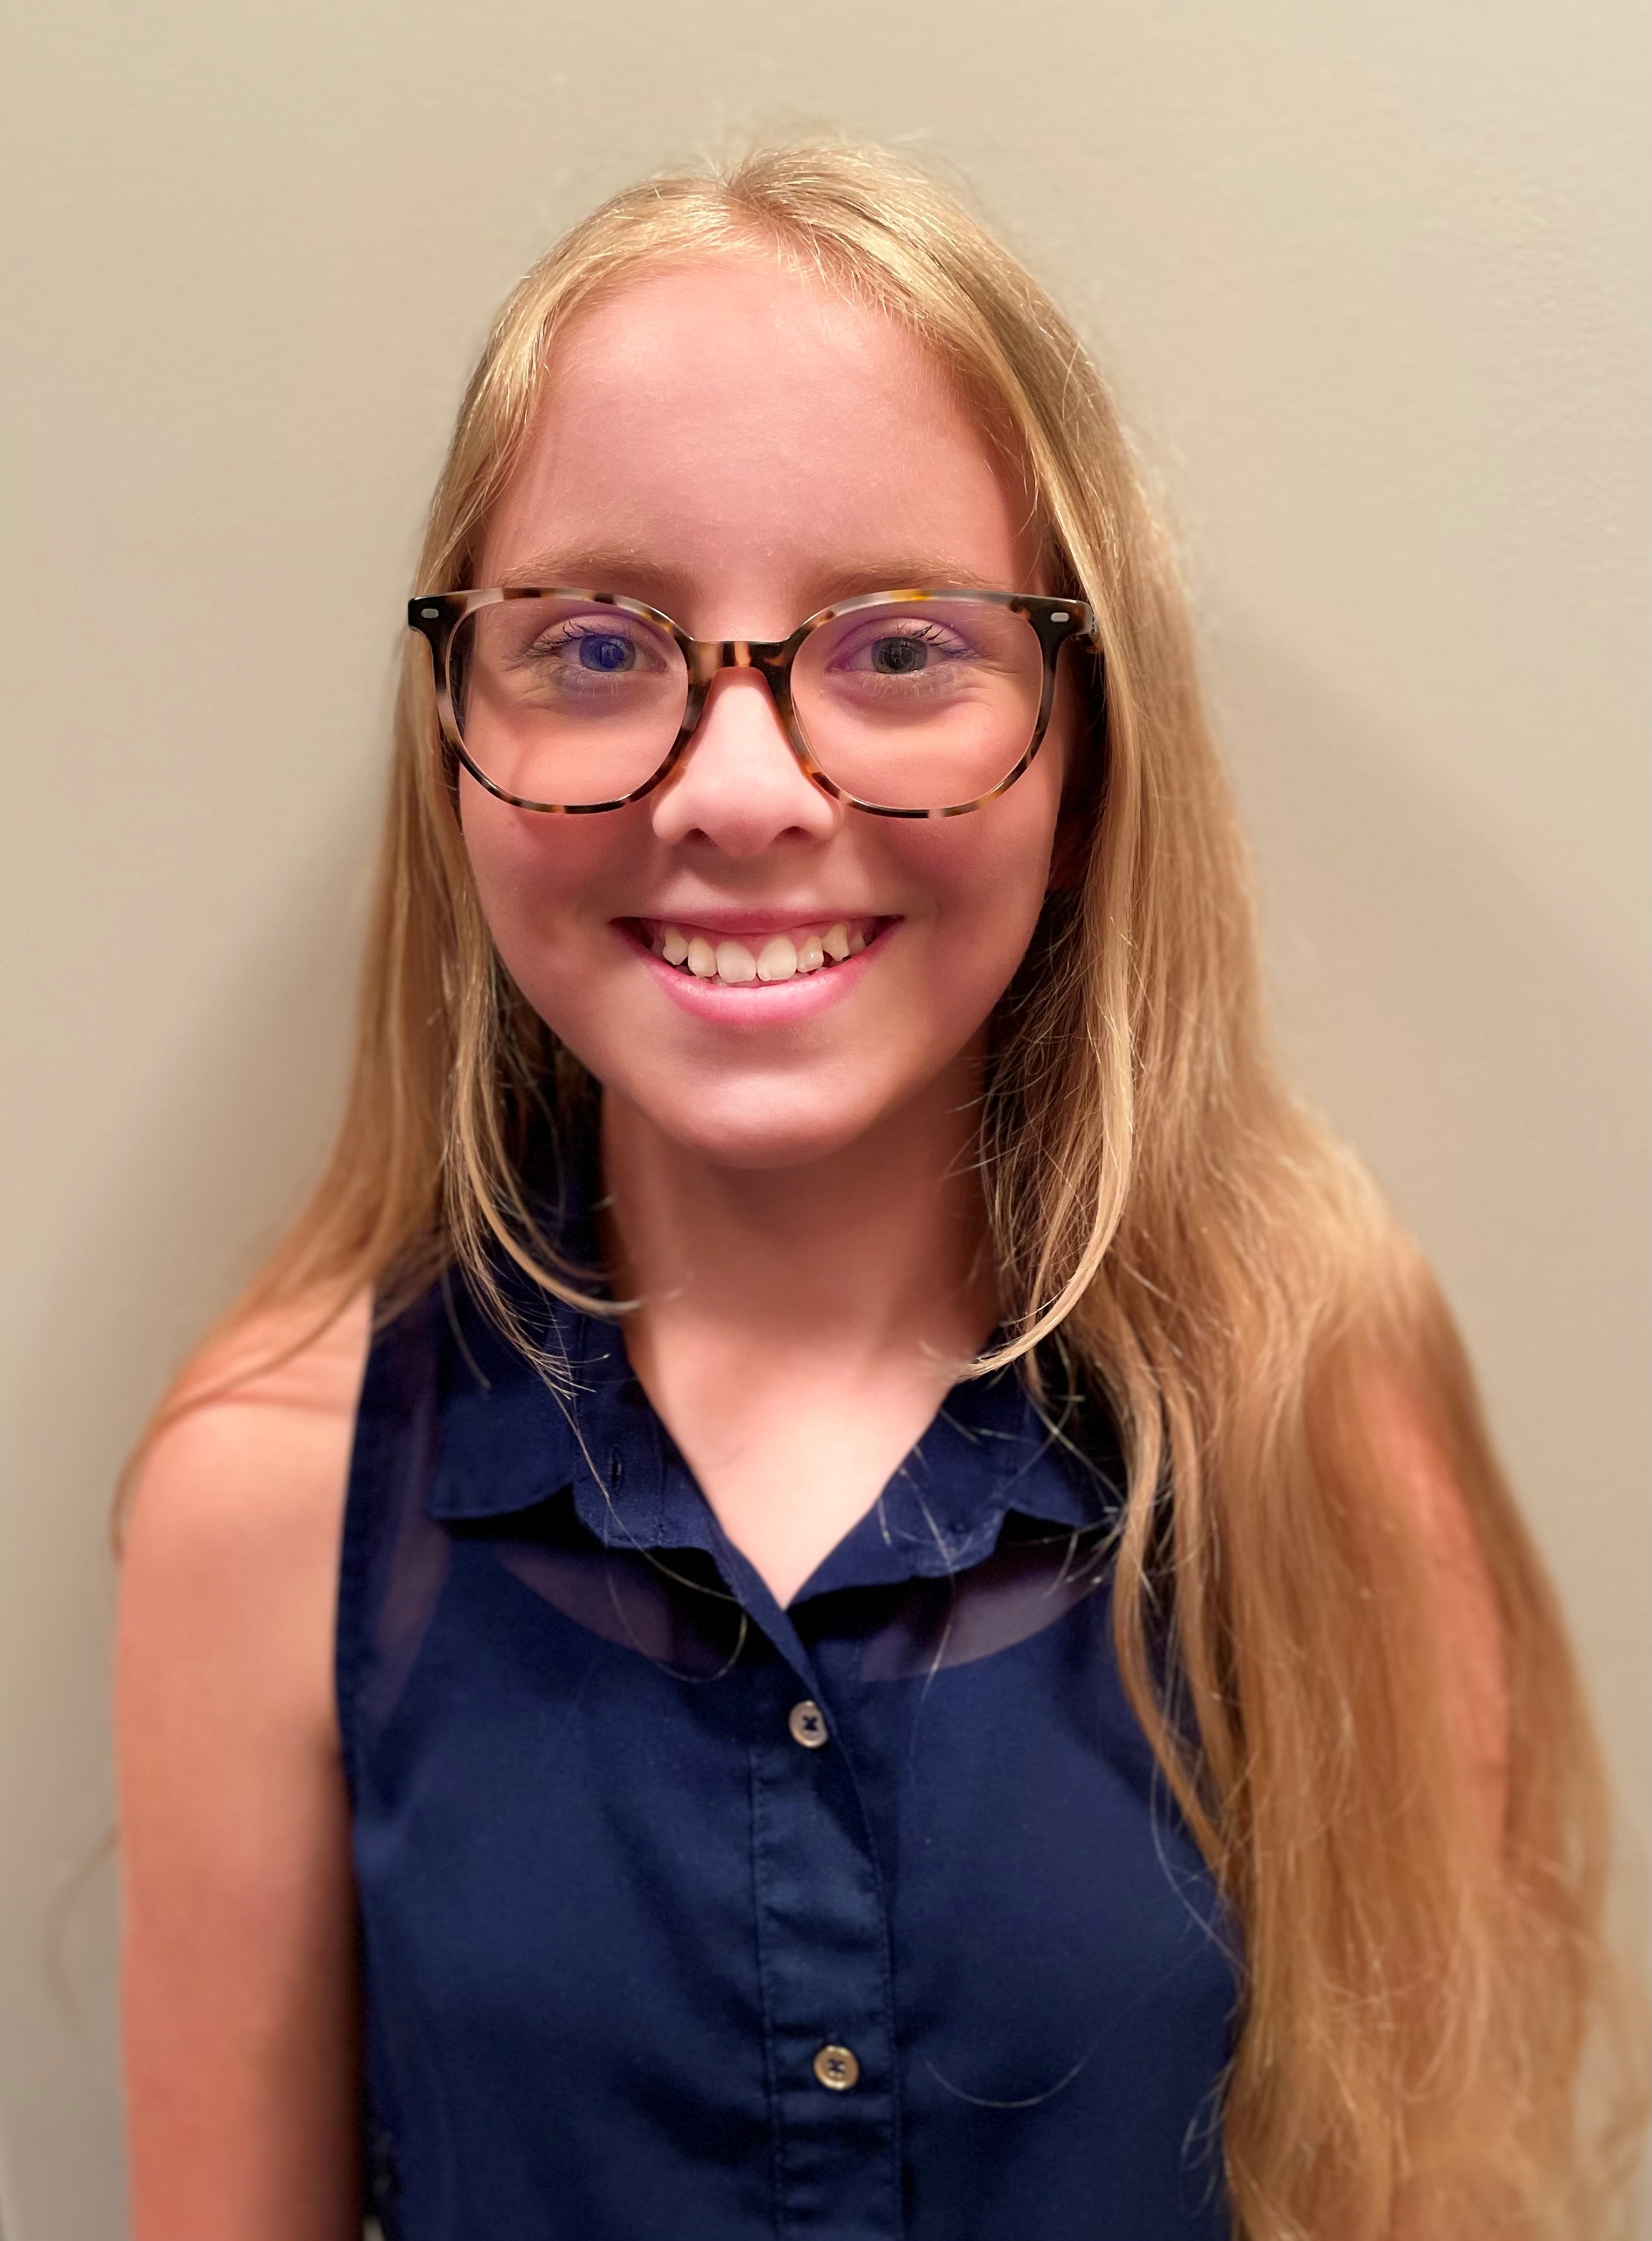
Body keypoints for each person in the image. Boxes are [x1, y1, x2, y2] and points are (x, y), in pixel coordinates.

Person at [112, 142, 1638, 2241]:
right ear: (455, 740)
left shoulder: (1307, 1412)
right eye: (594, 646)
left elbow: (1420, 2184)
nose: (740, 790)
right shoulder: (272, 1493)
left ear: (1086, 749)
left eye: (903, 648)